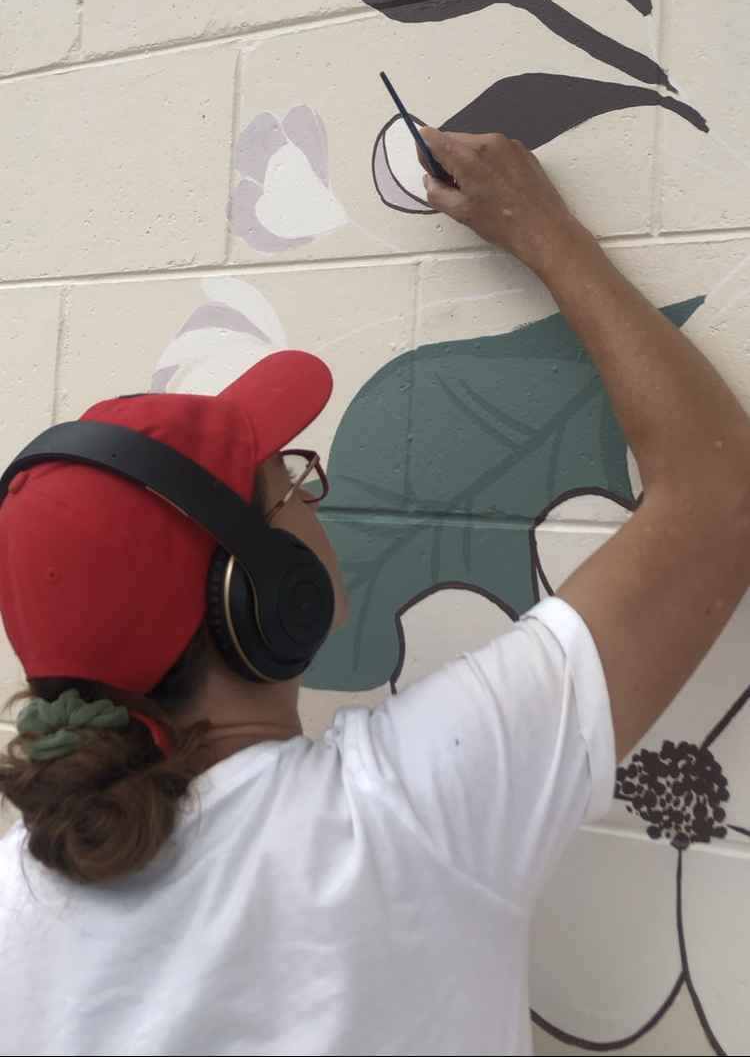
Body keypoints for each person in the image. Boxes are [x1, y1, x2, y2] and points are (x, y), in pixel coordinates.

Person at [1, 130, 750, 1057]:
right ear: (259, 594)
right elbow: (718, 496)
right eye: (290, 484)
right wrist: (543, 229)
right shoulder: (400, 814)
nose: (315, 498)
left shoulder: (19, 896)